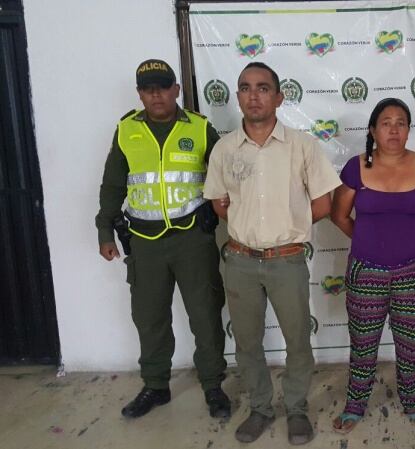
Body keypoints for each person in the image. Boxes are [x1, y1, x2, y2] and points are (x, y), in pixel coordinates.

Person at [203, 62, 340, 445]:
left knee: (297, 340)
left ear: (279, 97)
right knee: (247, 342)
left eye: (263, 88)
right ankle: (261, 408)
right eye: (246, 88)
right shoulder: (224, 149)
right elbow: (219, 203)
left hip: (287, 260)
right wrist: (249, 227)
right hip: (240, 261)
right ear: (237, 96)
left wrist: (285, 226)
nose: (254, 95)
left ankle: (296, 409)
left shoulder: (302, 146)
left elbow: (323, 204)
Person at [95, 59, 230, 419]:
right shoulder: (126, 131)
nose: (156, 95)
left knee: (205, 314)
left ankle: (213, 385)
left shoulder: (200, 128)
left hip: (193, 239)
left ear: (176, 90)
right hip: (144, 241)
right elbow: (112, 185)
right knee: (149, 317)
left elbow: (226, 177)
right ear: (140, 94)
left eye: (162, 87)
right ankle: (155, 386)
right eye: (148, 89)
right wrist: (105, 231)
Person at [329, 98, 415, 434]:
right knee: (363, 343)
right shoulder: (356, 168)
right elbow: (339, 215)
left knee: (411, 343)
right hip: (366, 270)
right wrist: (367, 240)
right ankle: (355, 404)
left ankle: (413, 402)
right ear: (373, 130)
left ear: (409, 129)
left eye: (401, 123)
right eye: (386, 123)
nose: (394, 129)